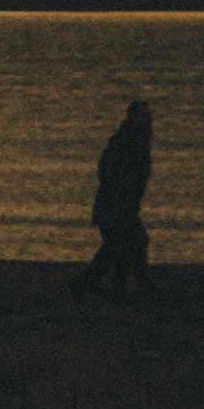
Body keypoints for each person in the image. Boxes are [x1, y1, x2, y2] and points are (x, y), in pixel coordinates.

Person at [68, 99, 154, 298]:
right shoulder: (126, 140)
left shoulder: (136, 141)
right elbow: (107, 171)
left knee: (120, 246)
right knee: (130, 242)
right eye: (143, 114)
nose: (148, 118)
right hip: (115, 205)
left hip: (121, 205)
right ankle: (134, 287)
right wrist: (121, 193)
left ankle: (111, 287)